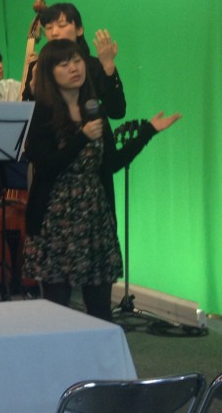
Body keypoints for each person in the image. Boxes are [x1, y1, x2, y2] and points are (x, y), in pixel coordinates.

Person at [23, 39, 180, 321]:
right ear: (49, 72)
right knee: (56, 310)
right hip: (56, 220)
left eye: (77, 61)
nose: (74, 68)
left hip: (95, 216)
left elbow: (111, 163)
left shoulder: (94, 109)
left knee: (100, 310)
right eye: (64, 64)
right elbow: (45, 168)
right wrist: (82, 137)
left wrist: (147, 132)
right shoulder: (41, 113)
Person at [22, 2, 126, 119]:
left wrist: (109, 67)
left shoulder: (93, 66)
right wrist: (32, 91)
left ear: (79, 30)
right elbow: (27, 117)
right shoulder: (38, 68)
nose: (54, 33)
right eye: (49, 28)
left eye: (62, 25)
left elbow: (117, 113)